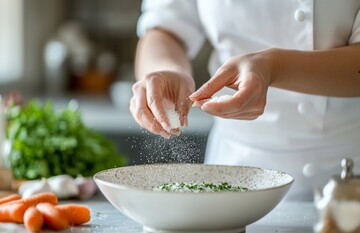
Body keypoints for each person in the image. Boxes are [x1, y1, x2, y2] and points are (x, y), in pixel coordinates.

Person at [130, 0, 360, 201]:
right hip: (236, 168)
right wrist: (166, 69)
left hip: (349, 171)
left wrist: (273, 68)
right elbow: (164, 30)